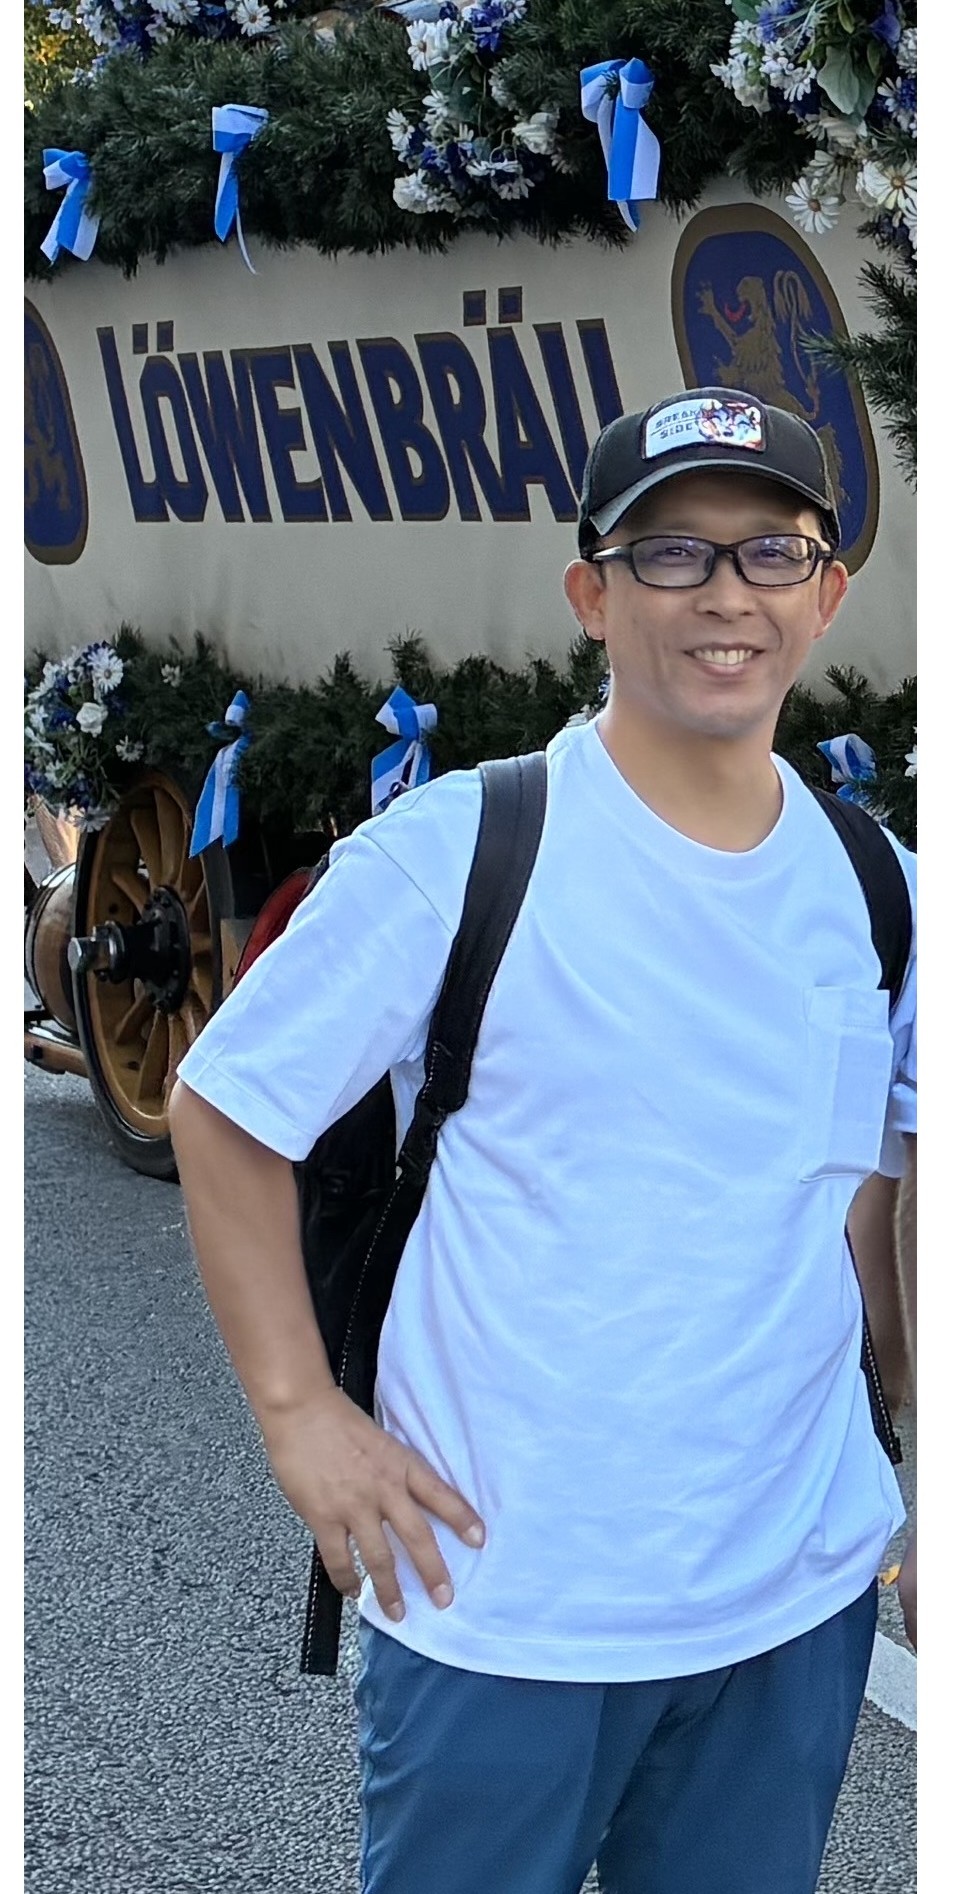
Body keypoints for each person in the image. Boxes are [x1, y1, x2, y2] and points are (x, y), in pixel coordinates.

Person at [168, 384, 917, 1894]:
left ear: (827, 594)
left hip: (791, 1597)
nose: (726, 594)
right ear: (593, 594)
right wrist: (300, 1415)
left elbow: (886, 1192)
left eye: (771, 552)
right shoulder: (460, 850)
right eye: (672, 553)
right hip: (506, 1604)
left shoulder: (878, 882)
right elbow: (226, 1107)